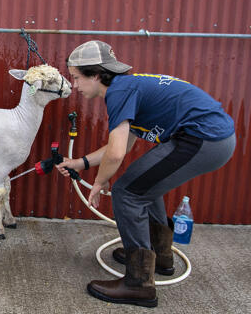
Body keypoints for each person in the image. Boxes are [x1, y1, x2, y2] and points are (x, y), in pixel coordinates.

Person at [57, 40, 235, 308]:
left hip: (203, 138)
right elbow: (122, 145)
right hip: (210, 138)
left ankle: (138, 283)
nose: (76, 85)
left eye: (77, 78)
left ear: (96, 75)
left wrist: (99, 182)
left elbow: (116, 154)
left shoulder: (118, 92)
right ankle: (160, 257)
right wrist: (81, 163)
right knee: (142, 184)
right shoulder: (128, 87)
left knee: (127, 192)